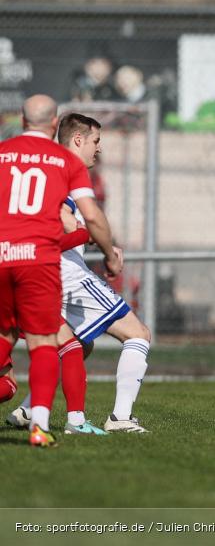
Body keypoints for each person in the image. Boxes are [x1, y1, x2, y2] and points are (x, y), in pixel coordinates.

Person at [7, 113, 152, 434]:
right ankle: (120, 418)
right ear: (77, 140)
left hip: (34, 271)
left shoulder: (41, 167)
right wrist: (102, 245)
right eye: (96, 141)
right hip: (65, 274)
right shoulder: (67, 172)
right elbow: (61, 230)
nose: (98, 149)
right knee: (138, 334)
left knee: (76, 345)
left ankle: (30, 411)